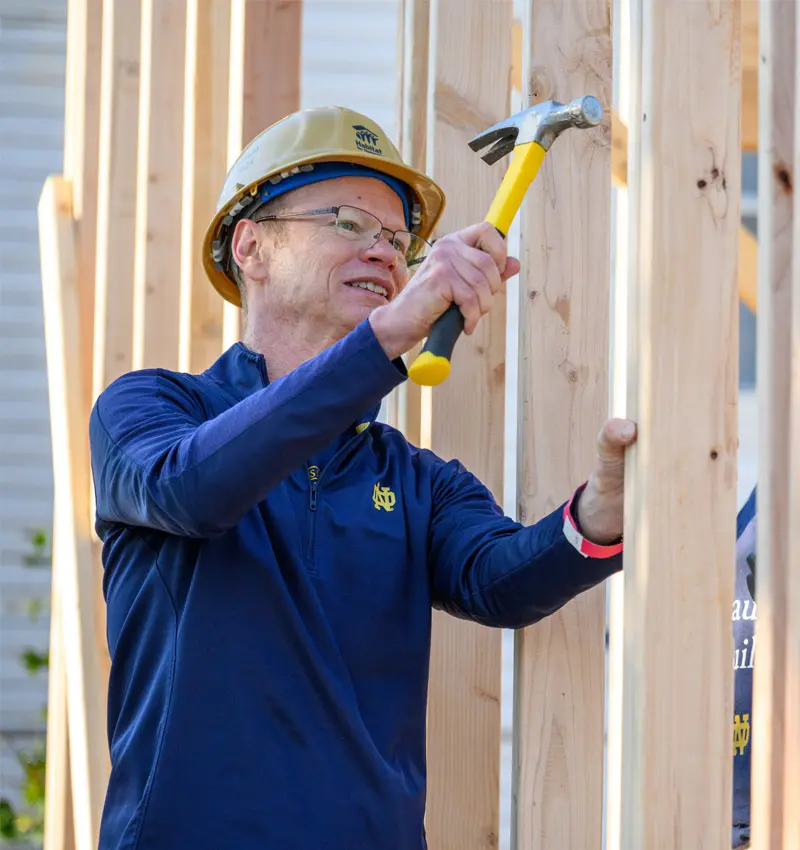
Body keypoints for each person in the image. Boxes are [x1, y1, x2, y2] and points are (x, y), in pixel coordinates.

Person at [88, 105, 637, 850]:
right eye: (347, 222)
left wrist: (600, 517)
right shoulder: (149, 411)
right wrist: (388, 337)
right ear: (250, 245)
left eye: (398, 240)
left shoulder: (415, 481)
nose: (383, 251)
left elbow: (502, 578)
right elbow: (193, 490)